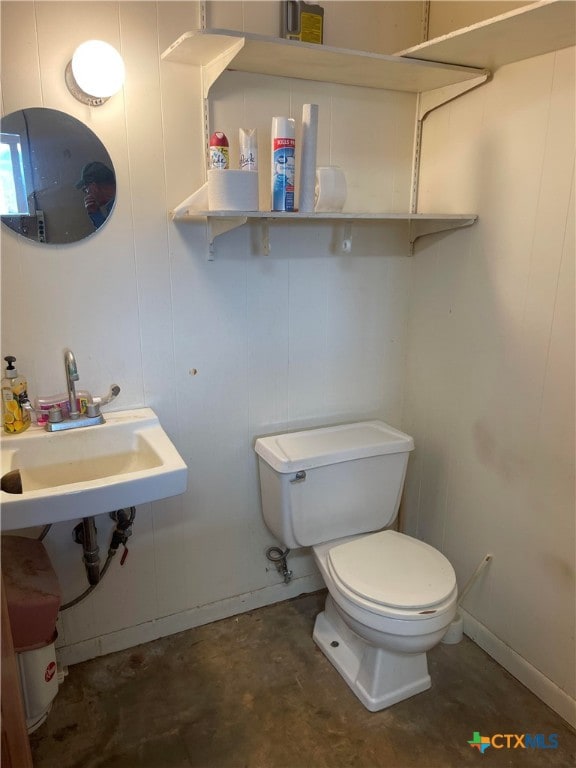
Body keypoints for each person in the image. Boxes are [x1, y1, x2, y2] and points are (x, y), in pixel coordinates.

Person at [75, 161, 116, 229]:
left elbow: (110, 237)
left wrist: (95, 214)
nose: (87, 194)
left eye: (86, 189)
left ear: (94, 186)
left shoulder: (115, 209)